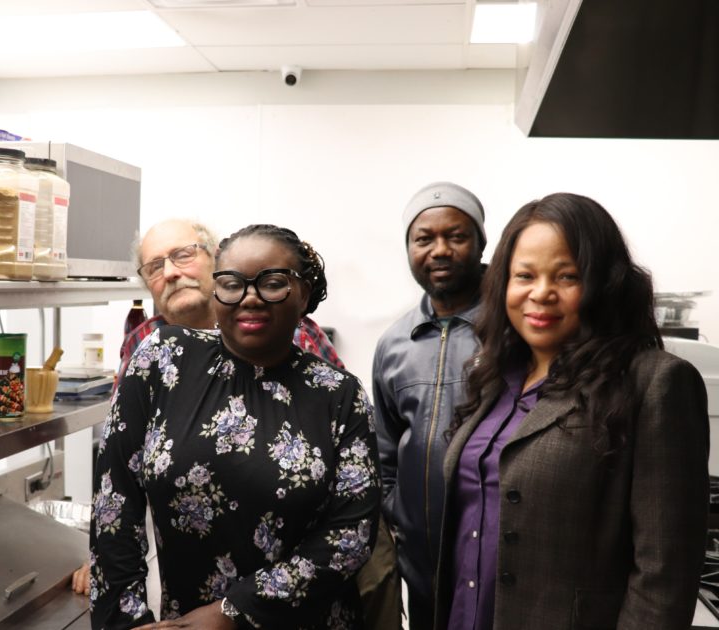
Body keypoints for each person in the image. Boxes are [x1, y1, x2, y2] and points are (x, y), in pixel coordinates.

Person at [435, 193, 708, 630]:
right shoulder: (490, 377)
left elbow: (664, 575)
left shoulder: (653, 383)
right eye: (525, 275)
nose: (541, 293)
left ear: (605, 284)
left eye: (567, 276)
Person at [89, 224, 381, 629]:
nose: (250, 298)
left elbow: (351, 535)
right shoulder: (160, 359)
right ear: (215, 290)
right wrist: (126, 620)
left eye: (273, 283)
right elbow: (114, 502)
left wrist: (233, 612)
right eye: (231, 284)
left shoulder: (339, 395)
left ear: (304, 295)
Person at [371, 182, 486, 630]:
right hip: (421, 559)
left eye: (456, 236)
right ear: (408, 249)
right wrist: (399, 514)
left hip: (496, 550)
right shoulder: (395, 343)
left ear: (480, 243)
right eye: (424, 239)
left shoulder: (512, 329)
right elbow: (382, 453)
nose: (440, 250)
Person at [121, 218, 343, 371]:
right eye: (155, 267)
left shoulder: (292, 331)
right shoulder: (142, 342)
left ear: (216, 259)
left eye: (183, 255)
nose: (170, 273)